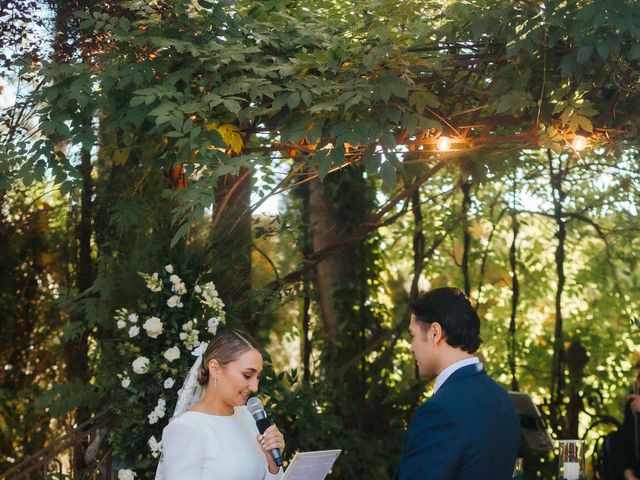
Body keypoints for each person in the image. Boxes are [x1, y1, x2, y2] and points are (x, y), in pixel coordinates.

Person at [395, 287, 520, 480]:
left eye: (413, 336)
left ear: (434, 333)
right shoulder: (502, 399)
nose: (411, 347)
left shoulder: (439, 412)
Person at [156, 328, 285, 480]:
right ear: (215, 369)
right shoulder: (186, 428)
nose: (255, 387)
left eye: (257, 377)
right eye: (247, 375)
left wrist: (273, 465)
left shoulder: (249, 417)